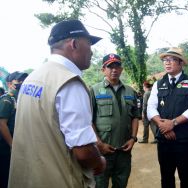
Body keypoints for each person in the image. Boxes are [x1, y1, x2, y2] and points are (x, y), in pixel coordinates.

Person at [8, 20, 106, 188]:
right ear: (74, 44)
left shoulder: (33, 78)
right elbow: (83, 151)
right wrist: (100, 162)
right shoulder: (69, 83)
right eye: (89, 44)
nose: (91, 51)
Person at [147, 47, 188, 188]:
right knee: (166, 176)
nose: (167, 63)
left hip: (183, 139)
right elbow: (150, 108)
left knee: (186, 176)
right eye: (165, 60)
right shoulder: (159, 84)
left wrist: (173, 123)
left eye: (172, 59)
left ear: (181, 63)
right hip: (164, 138)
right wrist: (163, 125)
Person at [90, 53, 141, 188]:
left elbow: (135, 116)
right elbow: (88, 121)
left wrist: (133, 138)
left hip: (124, 151)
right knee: (100, 184)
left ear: (121, 69)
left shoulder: (130, 91)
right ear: (103, 70)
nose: (114, 70)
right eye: (110, 66)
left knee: (121, 183)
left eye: (117, 66)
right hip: (103, 151)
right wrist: (99, 144)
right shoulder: (94, 91)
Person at [0, 71, 27, 188]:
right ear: (10, 84)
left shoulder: (22, 99)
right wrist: (12, 144)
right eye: (19, 80)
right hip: (5, 148)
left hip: (18, 146)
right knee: (6, 177)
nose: (22, 82)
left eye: (24, 80)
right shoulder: (7, 100)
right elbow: (2, 124)